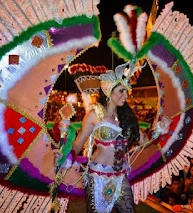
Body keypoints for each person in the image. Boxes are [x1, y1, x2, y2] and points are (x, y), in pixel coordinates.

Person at [56, 62, 171, 213]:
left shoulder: (127, 117)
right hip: (97, 176)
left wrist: (159, 131)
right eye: (121, 91)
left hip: (121, 176)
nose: (126, 95)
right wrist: (66, 156)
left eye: (126, 91)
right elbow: (78, 144)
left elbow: (144, 142)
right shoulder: (94, 114)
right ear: (108, 90)